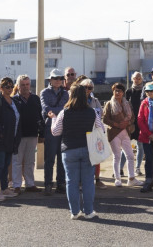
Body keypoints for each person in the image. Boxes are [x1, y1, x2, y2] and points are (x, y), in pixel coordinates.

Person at [50, 84, 101, 220]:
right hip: (87, 149)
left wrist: (53, 119)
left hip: (69, 149)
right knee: (88, 182)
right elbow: (101, 129)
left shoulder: (64, 112)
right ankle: (89, 211)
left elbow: (55, 132)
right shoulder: (92, 112)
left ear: (70, 95)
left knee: (71, 181)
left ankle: (74, 212)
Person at [103, 82, 142, 186]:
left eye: (119, 91)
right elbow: (105, 119)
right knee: (117, 156)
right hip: (114, 133)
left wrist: (127, 123)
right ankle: (117, 179)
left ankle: (131, 178)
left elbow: (133, 117)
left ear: (123, 92)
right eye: (115, 90)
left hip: (126, 132)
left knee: (130, 155)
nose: (117, 92)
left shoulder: (127, 104)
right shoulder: (109, 104)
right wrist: (116, 124)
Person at [11, 75, 44, 192]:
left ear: (30, 85)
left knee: (30, 161)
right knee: (17, 161)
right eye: (23, 85)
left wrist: (42, 133)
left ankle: (30, 184)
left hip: (32, 134)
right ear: (18, 86)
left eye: (27, 84)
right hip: (18, 136)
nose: (25, 87)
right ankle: (16, 185)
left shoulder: (35, 99)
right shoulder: (13, 100)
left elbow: (40, 117)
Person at [41, 67, 69, 195]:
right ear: (50, 80)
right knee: (50, 158)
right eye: (55, 78)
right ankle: (48, 184)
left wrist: (52, 112)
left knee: (62, 158)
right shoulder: (44, 92)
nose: (58, 80)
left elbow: (64, 108)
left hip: (63, 127)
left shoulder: (66, 93)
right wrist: (52, 111)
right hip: (49, 128)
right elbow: (45, 107)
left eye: (60, 78)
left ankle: (61, 184)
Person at [80, 78, 106, 188]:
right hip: (81, 132)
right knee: (82, 157)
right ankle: (81, 181)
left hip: (94, 132)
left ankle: (97, 179)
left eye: (89, 88)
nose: (87, 90)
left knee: (96, 156)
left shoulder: (95, 100)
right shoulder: (77, 100)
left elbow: (101, 114)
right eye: (85, 87)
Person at [125, 71, 145, 177]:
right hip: (130, 122)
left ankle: (137, 168)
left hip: (141, 121)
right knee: (125, 145)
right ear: (132, 79)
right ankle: (120, 168)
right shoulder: (129, 91)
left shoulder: (145, 91)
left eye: (139, 78)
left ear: (141, 79)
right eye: (135, 78)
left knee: (140, 146)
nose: (136, 80)